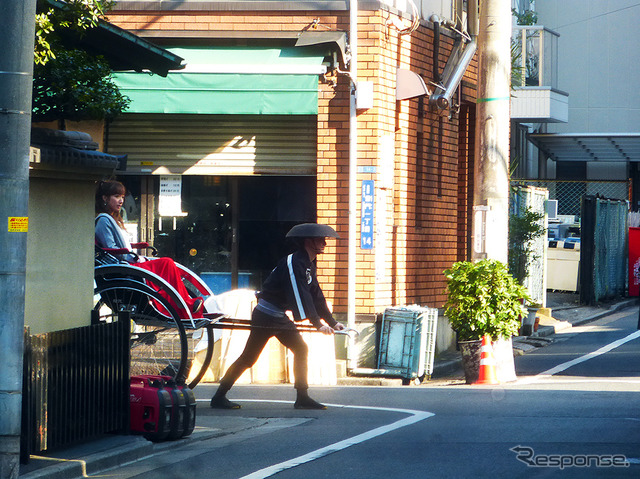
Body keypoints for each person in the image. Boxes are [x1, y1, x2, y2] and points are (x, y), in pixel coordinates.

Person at [210, 223, 344, 410]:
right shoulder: (293, 262)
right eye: (320, 239)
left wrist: (332, 321)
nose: (324, 243)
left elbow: (316, 294)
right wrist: (317, 324)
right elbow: (300, 294)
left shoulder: (307, 264)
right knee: (250, 358)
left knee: (299, 348)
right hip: (266, 314)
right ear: (308, 241)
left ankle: (302, 397)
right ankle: (219, 396)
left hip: (277, 315)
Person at [95, 179, 204, 318]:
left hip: (128, 260)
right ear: (105, 198)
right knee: (166, 263)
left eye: (122, 197)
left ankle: (183, 305)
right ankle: (183, 305)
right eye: (116, 196)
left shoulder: (113, 218)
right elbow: (111, 249)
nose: (121, 200)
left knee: (167, 264)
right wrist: (132, 256)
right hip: (122, 266)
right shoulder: (103, 220)